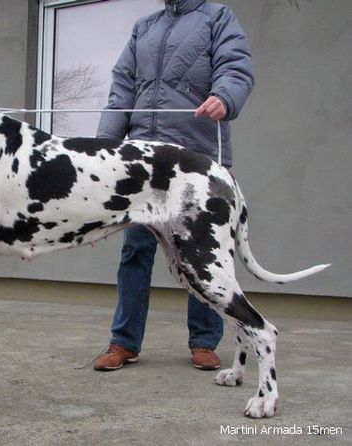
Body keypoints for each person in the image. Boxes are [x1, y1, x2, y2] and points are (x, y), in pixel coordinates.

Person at [93, 0, 254, 371]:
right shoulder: (144, 28)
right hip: (144, 162)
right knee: (135, 252)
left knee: (202, 253)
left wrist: (225, 96)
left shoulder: (217, 17)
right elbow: (122, 91)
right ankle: (124, 342)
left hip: (194, 160)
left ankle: (204, 341)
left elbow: (236, 66)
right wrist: (103, 150)